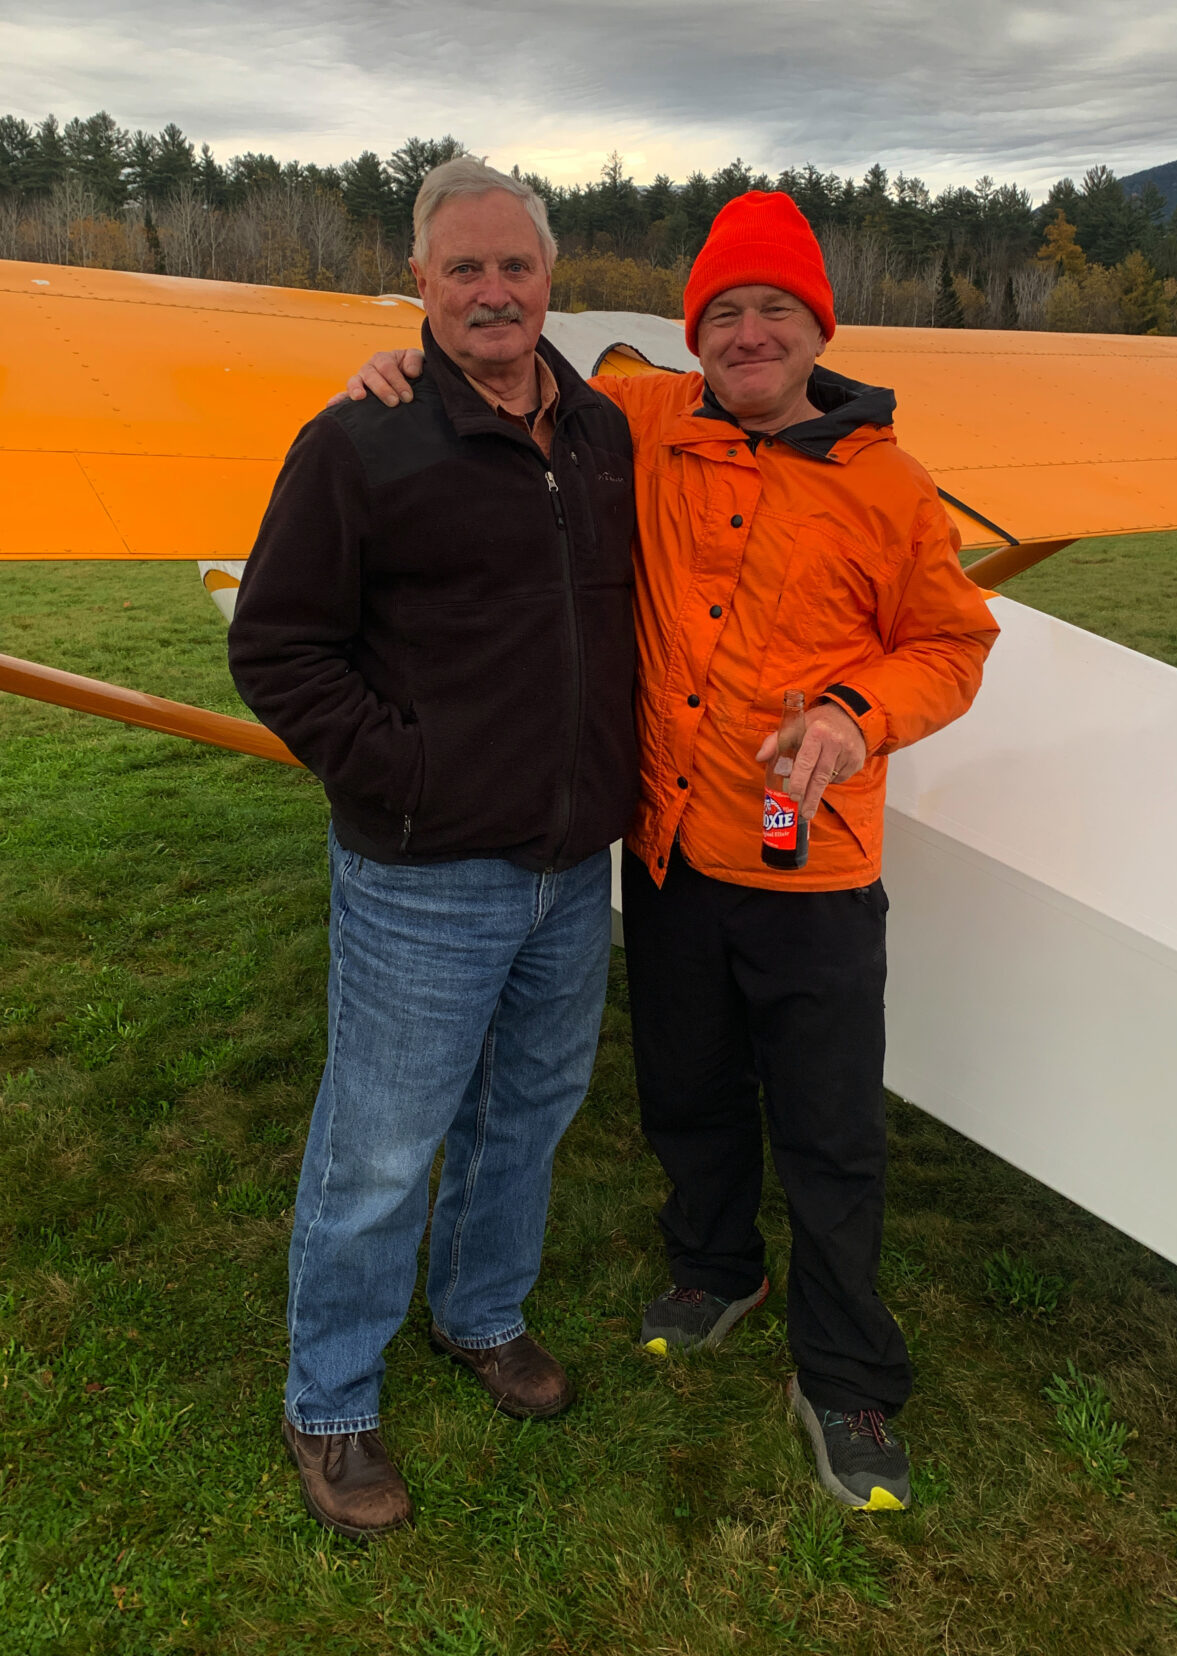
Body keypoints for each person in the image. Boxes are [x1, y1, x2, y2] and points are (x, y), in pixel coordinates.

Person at [346, 189, 999, 1512]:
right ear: (695, 331)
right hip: (667, 855)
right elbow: (509, 365)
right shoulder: (639, 419)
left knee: (827, 1132)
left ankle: (849, 1374)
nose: (749, 333)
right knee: (686, 1087)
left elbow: (953, 645)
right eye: (724, 313)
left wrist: (853, 716)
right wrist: (402, 368)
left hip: (812, 870)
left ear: (819, 327)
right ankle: (713, 1266)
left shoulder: (891, 485)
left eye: (776, 311)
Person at [228, 157, 639, 1540]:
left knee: (529, 1113)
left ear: (549, 280)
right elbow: (277, 647)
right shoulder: (358, 441)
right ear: (417, 283)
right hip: (423, 875)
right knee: (382, 1146)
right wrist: (404, 770)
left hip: (571, 864)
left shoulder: (600, 432)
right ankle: (329, 1400)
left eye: (513, 266)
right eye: (461, 268)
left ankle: (480, 1313)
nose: (491, 290)